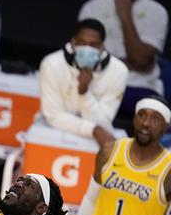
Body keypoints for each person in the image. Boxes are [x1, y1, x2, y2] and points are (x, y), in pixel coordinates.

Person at [78, 0, 169, 119]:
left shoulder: (157, 11)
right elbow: (84, 56)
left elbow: (140, 60)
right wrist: (128, 63)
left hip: (138, 86)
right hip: (97, 82)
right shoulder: (92, 7)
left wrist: (125, 15)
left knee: (151, 116)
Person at [39, 18, 127, 146]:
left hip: (93, 143)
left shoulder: (118, 71)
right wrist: (93, 130)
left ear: (102, 46)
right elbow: (53, 115)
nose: (87, 49)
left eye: (94, 45)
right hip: (53, 134)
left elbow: (104, 122)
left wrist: (84, 93)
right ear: (73, 42)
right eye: (81, 43)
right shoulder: (52, 64)